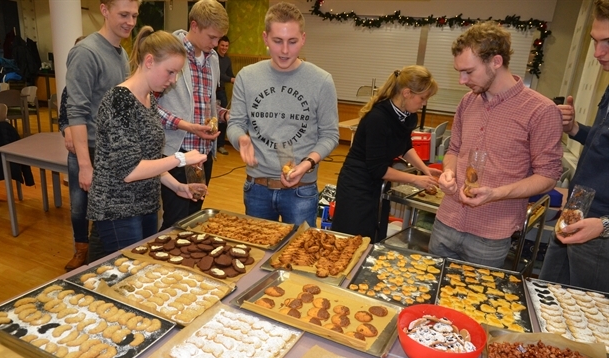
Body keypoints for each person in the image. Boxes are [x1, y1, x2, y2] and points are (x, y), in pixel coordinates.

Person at [428, 21, 563, 268]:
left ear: (496, 62)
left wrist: (495, 194)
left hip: (490, 234)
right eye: (459, 71)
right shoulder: (468, 103)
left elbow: (548, 175)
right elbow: (455, 150)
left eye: (468, 71)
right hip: (446, 220)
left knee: (475, 302)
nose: (461, 80)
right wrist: (448, 171)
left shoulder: (541, 110)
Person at [88, 27, 207, 256]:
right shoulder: (119, 100)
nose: (173, 81)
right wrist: (180, 158)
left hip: (146, 206)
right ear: (150, 61)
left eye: (176, 74)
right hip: (118, 210)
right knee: (124, 277)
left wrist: (178, 186)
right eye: (170, 72)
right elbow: (130, 170)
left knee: (140, 270)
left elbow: (150, 160)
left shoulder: (149, 99)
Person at [227, 2, 339, 227]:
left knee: (299, 257)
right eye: (278, 41)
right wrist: (240, 138)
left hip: (301, 190)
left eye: (292, 41)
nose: (285, 50)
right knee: (256, 256)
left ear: (304, 38)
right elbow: (235, 123)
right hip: (256, 187)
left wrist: (307, 163)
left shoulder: (322, 81)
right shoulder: (247, 76)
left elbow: (330, 135)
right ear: (265, 38)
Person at [539, 0, 609, 293]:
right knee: (548, 300)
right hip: (575, 216)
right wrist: (574, 129)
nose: (597, 53)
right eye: (595, 41)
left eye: (607, 42)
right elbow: (603, 144)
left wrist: (605, 225)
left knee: (585, 325)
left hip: (599, 235)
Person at [65, 0, 139, 266]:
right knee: (91, 216)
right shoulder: (86, 52)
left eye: (134, 15)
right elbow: (76, 109)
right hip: (93, 150)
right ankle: (90, 267)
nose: (130, 22)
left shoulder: (120, 51)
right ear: (104, 10)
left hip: (113, 153)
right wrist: (85, 164)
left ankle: (98, 271)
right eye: (123, 15)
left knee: (105, 224)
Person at [331, 67, 440, 242]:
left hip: (376, 183)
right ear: (406, 93)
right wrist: (415, 179)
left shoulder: (407, 115)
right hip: (356, 184)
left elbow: (405, 147)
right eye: (423, 98)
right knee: (353, 238)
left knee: (374, 233)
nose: (424, 103)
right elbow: (378, 169)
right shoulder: (378, 119)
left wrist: (425, 170)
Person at [156, 0, 229, 230]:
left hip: (202, 153)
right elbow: (149, 107)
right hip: (175, 151)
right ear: (194, 26)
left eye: (219, 38)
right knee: (175, 221)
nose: (216, 44)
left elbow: (208, 105)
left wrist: (225, 115)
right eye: (212, 37)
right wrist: (186, 125)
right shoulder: (170, 51)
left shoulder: (213, 59)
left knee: (193, 218)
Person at [60, 35, 86, 271]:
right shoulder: (69, 89)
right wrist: (67, 129)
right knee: (78, 205)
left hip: (100, 151)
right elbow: (63, 119)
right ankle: (81, 249)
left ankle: (98, 249)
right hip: (77, 154)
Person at [215, 35, 235, 155]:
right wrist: (231, 79)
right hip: (212, 91)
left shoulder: (227, 60)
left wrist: (236, 79)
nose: (224, 48)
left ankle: (220, 144)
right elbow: (218, 75)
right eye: (222, 45)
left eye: (226, 46)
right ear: (218, 45)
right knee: (211, 118)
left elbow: (230, 75)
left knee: (224, 118)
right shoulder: (213, 57)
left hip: (221, 91)